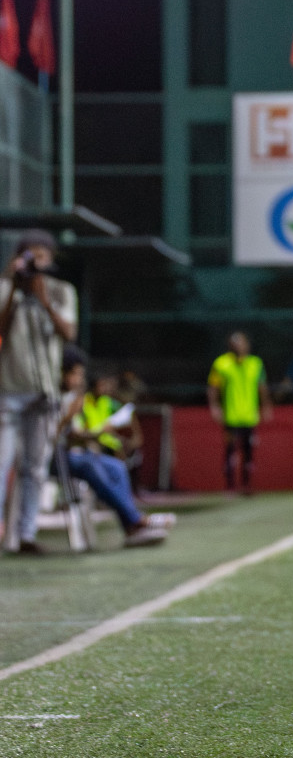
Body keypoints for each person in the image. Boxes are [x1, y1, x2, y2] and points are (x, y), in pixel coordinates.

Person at [0, 230, 79, 555]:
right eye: (29, 256)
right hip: (8, 390)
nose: (35, 262)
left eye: (41, 256)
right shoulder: (5, 289)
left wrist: (43, 300)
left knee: (35, 467)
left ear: (50, 259)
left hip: (45, 392)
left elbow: (69, 333)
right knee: (1, 463)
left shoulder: (61, 291)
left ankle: (26, 535)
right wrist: (15, 293)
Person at [58, 350, 167, 547]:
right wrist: (73, 419)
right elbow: (59, 436)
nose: (78, 380)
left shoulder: (90, 400)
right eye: (76, 374)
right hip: (57, 456)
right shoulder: (56, 399)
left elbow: (79, 433)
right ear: (62, 373)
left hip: (88, 451)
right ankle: (134, 520)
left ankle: (130, 527)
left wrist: (125, 436)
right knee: (91, 465)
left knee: (117, 467)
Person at [207, 331, 273, 494]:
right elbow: (213, 387)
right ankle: (230, 485)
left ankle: (247, 484)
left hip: (249, 416)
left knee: (248, 451)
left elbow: (262, 386)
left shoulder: (255, 363)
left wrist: (266, 406)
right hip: (231, 416)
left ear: (247, 345)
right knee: (230, 450)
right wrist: (214, 406)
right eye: (235, 343)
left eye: (241, 343)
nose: (238, 346)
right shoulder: (221, 363)